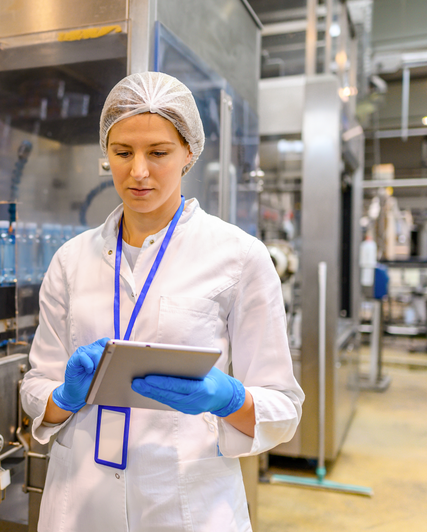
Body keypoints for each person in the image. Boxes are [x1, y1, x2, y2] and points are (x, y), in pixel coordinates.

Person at [20, 71, 304, 531]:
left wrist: (227, 397)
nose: (138, 171)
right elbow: (37, 387)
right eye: (122, 152)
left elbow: (283, 408)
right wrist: (63, 397)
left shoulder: (238, 257)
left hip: (187, 505)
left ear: (189, 152)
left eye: (158, 153)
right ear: (105, 154)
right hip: (81, 503)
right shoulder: (71, 262)